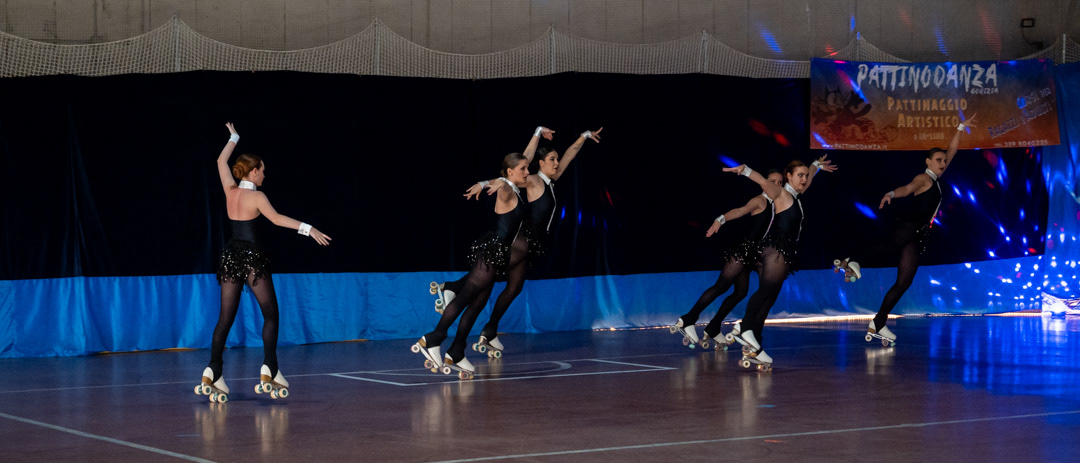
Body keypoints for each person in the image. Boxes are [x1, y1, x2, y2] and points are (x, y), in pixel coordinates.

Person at [195, 123, 331, 403]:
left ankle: (213, 369)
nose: (265, 174)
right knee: (271, 315)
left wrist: (233, 138)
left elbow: (220, 161)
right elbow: (277, 219)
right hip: (253, 259)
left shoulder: (230, 190)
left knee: (225, 319)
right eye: (263, 170)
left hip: (230, 257)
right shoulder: (257, 196)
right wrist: (309, 228)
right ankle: (270, 367)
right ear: (254, 171)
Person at [835, 114, 978, 346]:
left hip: (918, 236)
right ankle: (852, 261)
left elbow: (952, 150)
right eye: (938, 160)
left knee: (904, 282)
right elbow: (907, 188)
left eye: (944, 160)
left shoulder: (936, 178)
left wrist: (960, 127)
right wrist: (891, 194)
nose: (943, 163)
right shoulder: (924, 178)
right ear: (928, 162)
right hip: (909, 226)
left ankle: (879, 322)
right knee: (889, 247)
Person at [460, 126, 602, 357]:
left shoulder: (551, 180)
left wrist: (584, 136)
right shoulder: (534, 180)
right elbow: (508, 178)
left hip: (532, 243)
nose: (557, 163)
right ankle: (452, 289)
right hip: (523, 239)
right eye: (552, 159)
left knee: (515, 287)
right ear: (540, 163)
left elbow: (570, 154)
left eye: (556, 159)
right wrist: (486, 183)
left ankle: (490, 329)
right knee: (488, 275)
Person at [412, 152, 532, 379]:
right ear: (510, 172)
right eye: (523, 169)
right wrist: (492, 184)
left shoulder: (514, 188)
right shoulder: (507, 189)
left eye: (527, 168)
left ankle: (456, 350)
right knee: (465, 298)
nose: (527, 172)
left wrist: (485, 182)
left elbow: (513, 172)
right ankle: (434, 338)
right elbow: (503, 185)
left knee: (477, 304)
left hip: (497, 255)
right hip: (491, 253)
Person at [723, 156, 835, 371]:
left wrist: (816, 166)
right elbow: (762, 181)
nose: (804, 179)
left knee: (768, 299)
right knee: (765, 293)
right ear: (788, 177)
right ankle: (744, 328)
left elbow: (810, 178)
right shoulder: (781, 193)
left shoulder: (796, 194)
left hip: (783, 252)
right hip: (776, 250)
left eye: (805, 176)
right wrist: (745, 170)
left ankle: (755, 346)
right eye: (799, 175)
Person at [670, 170, 785, 350]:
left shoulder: (776, 204)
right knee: (721, 286)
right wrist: (720, 219)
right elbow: (740, 211)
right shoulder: (760, 200)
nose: (776, 185)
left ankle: (714, 327)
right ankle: (688, 319)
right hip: (742, 251)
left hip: (752, 255)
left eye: (779, 182)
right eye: (772, 181)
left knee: (740, 292)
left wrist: (815, 167)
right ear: (764, 183)